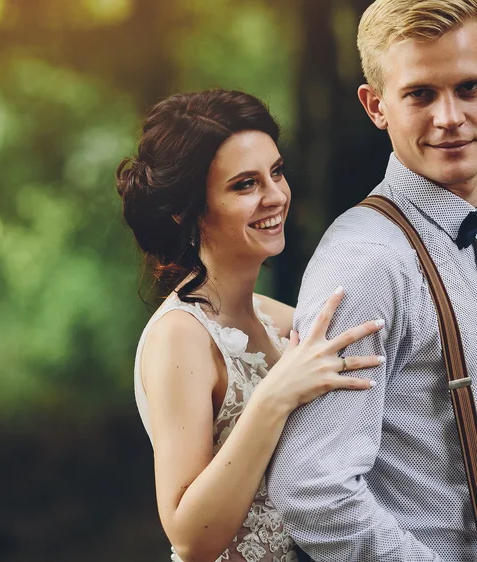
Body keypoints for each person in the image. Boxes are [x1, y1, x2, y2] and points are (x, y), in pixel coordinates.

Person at [116, 89, 385, 562]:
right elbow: (189, 537)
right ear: (186, 210)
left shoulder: (279, 318)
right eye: (245, 185)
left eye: (276, 172)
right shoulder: (180, 336)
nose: (276, 196)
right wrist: (274, 397)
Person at [266, 1, 477, 560]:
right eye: (421, 94)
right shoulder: (367, 260)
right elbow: (314, 490)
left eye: (470, 87)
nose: (450, 116)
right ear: (375, 104)